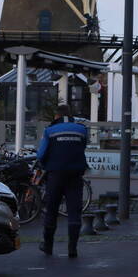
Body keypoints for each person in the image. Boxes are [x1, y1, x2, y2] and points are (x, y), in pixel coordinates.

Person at [36, 105, 89, 258]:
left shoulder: (49, 131)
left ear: (56, 116)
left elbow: (41, 154)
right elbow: (83, 147)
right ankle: (72, 248)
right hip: (75, 174)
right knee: (74, 211)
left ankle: (48, 245)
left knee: (51, 209)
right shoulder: (81, 130)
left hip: (55, 174)